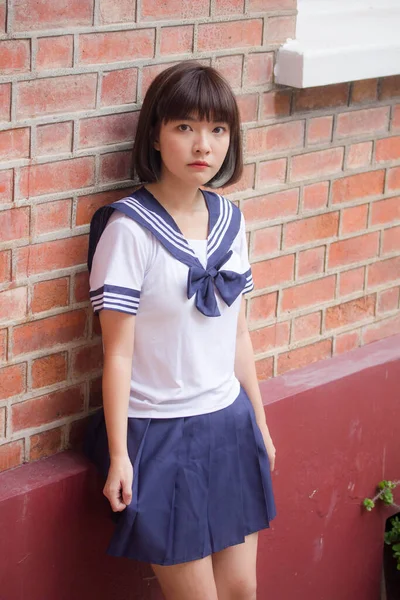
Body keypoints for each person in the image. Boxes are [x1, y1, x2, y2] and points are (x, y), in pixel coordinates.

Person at [84, 61, 277, 600]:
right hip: (160, 434)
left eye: (218, 130)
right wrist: (120, 456)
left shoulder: (232, 221)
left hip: (228, 423)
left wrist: (259, 424)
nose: (203, 145)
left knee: (242, 591)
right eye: (185, 126)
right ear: (155, 133)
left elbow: (239, 335)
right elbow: (117, 355)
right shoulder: (128, 229)